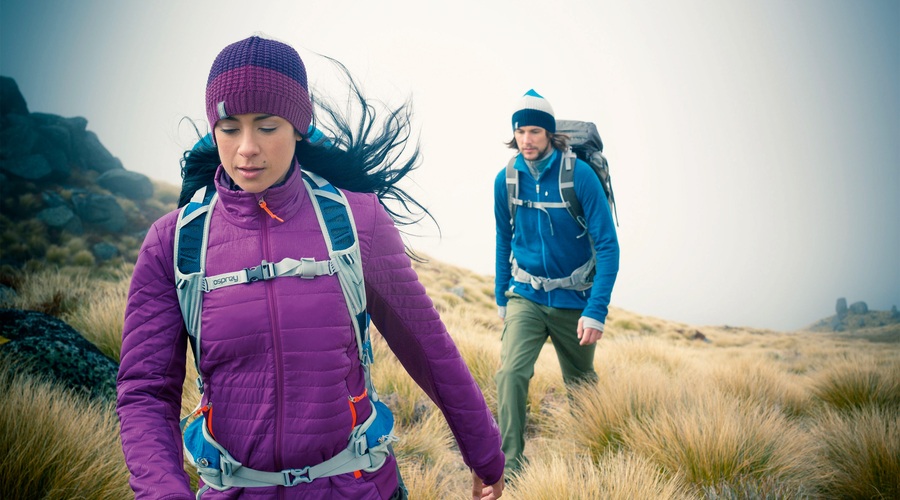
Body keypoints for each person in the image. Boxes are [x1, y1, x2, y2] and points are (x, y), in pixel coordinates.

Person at [116, 34, 504, 499]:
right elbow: (145, 391)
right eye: (229, 127)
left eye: (267, 126)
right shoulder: (174, 241)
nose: (246, 148)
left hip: (356, 488)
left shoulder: (357, 220)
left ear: (299, 127)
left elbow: (427, 346)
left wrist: (484, 452)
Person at [493, 90, 620, 476]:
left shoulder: (578, 176)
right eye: (520, 131)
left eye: (534, 131)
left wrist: (596, 311)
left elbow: (608, 245)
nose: (526, 139)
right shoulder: (507, 179)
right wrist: (502, 296)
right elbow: (503, 238)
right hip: (526, 296)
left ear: (549, 133)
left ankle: (594, 454)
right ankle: (510, 466)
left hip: (573, 300)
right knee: (510, 374)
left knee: (581, 384)